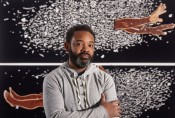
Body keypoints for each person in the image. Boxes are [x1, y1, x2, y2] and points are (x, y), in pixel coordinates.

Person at [43, 24, 121, 118]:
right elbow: (55, 116)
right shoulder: (53, 79)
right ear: (67, 47)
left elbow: (113, 114)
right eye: (79, 44)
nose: (85, 49)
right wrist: (102, 112)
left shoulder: (105, 78)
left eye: (90, 45)